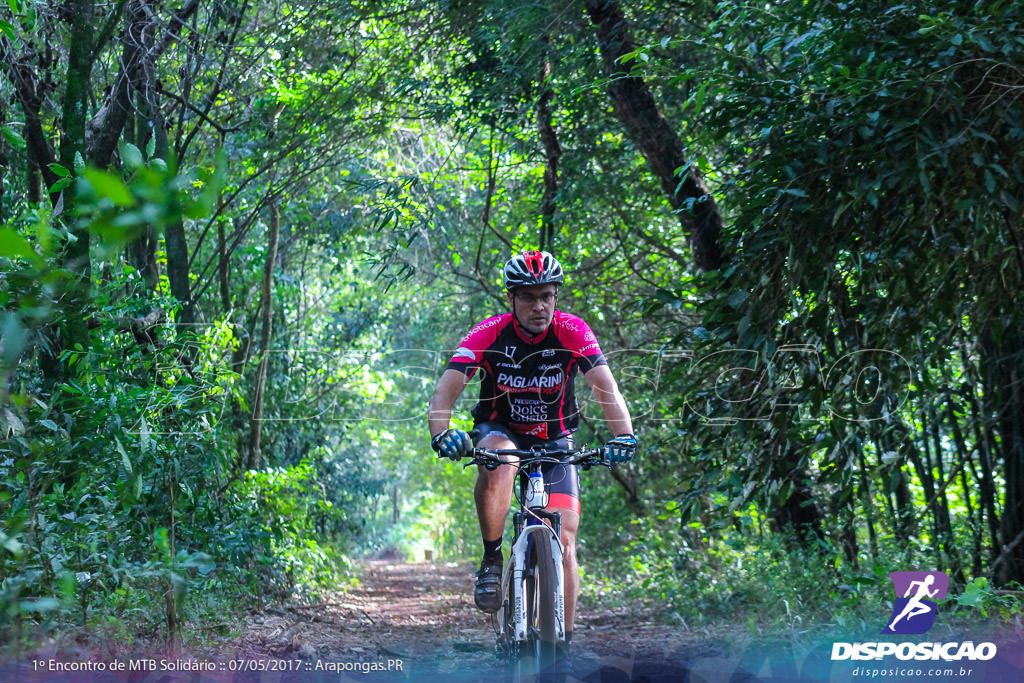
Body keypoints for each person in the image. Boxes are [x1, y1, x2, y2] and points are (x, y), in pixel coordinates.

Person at [427, 249, 637, 659]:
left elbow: (606, 389)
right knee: (498, 458)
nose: (539, 306)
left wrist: (624, 436)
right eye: (528, 297)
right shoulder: (489, 333)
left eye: (547, 296)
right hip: (500, 431)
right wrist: (441, 433)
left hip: (556, 441)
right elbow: (445, 390)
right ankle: (492, 558)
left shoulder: (573, 332)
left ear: (555, 296)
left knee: (567, 540)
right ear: (512, 299)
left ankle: (562, 646)